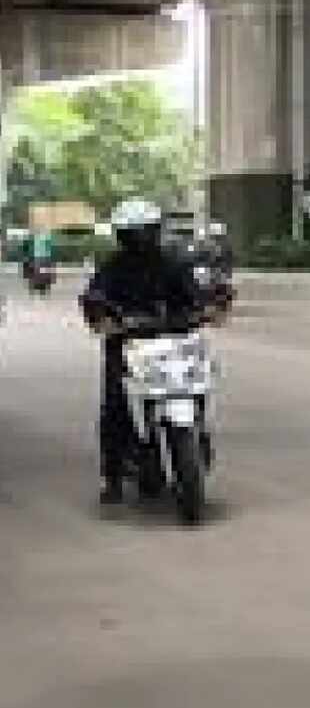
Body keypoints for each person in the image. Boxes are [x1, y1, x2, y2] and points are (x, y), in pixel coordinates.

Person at [79, 199, 204, 504]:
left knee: (197, 381)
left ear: (156, 232)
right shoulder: (112, 267)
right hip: (127, 344)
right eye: (132, 234)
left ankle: (199, 436)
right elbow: (95, 296)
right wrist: (101, 316)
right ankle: (112, 476)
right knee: (114, 406)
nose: (140, 241)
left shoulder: (172, 264)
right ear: (122, 236)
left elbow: (193, 296)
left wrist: (207, 307)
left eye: (145, 233)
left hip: (171, 342)